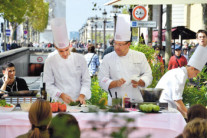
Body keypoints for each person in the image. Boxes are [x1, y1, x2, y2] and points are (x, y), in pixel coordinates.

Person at [98, 14, 152, 105]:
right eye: (115, 44)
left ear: (128, 44)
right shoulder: (108, 58)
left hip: (136, 99)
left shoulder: (140, 56)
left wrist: (140, 82)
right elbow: (102, 79)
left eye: (120, 44)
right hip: (115, 101)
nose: (117, 47)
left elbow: (148, 75)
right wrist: (115, 83)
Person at [43, 18, 91, 105]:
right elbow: (48, 85)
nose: (65, 53)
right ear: (56, 48)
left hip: (79, 102)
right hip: (59, 103)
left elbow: (86, 81)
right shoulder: (50, 61)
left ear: (69, 45)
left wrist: (82, 95)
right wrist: (61, 95)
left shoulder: (80, 59)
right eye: (61, 51)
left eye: (66, 50)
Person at [156, 46, 207, 118]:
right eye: (196, 73)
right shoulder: (181, 75)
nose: (195, 76)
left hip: (165, 106)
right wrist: (189, 116)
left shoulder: (179, 72)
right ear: (192, 68)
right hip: (163, 108)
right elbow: (177, 99)